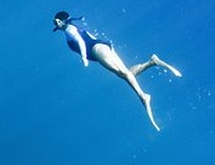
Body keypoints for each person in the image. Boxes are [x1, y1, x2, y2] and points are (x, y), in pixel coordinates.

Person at [52, 10, 182, 131]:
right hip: (101, 46)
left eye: (56, 21)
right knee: (126, 73)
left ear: (59, 21)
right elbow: (88, 36)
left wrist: (84, 57)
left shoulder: (70, 30)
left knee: (123, 73)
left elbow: (80, 41)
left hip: (95, 50)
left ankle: (143, 96)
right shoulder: (73, 28)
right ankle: (152, 62)